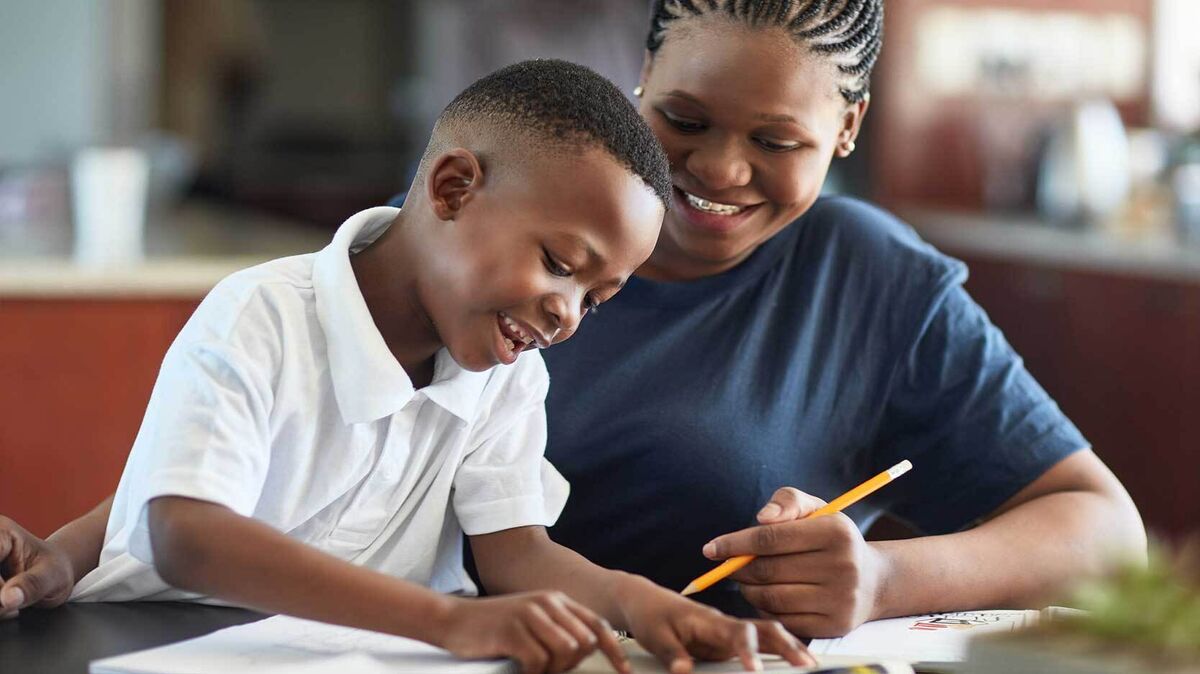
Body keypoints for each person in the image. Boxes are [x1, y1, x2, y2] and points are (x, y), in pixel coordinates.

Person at [3, 0, 1148, 645]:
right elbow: (246, 466)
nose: (716, 171)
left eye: (779, 143)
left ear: (846, 132)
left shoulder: (866, 282)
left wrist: (878, 577)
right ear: (639, 70)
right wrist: (68, 549)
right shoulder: (478, 244)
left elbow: (1105, 530)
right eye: (683, 117)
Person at [0, 59, 813, 674]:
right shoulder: (264, 315)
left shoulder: (507, 373)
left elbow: (514, 552)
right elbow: (186, 532)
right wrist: (446, 621)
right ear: (454, 188)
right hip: (161, 647)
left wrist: (641, 603)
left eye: (597, 299)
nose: (569, 315)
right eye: (562, 264)